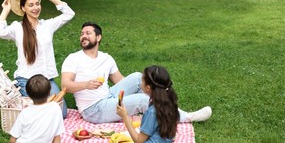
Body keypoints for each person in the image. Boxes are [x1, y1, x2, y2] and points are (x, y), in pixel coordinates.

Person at [61, 22, 212, 124]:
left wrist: (139, 88)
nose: (83, 36)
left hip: (108, 96)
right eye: (81, 34)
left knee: (138, 78)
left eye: (88, 33)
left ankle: (161, 108)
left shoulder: (106, 58)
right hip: (93, 109)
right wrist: (86, 84)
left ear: (98, 37)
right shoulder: (73, 58)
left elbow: (120, 80)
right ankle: (186, 117)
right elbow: (65, 85)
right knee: (141, 100)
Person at [66, 65, 182, 143]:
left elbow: (138, 141)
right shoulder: (170, 105)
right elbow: (169, 132)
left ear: (148, 88)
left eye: (142, 79)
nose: (140, 81)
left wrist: (125, 116)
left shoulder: (152, 111)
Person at [0, 0, 75, 119]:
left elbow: (69, 14)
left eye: (37, 4)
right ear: (23, 8)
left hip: (46, 80)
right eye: (30, 5)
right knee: (41, 113)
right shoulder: (17, 28)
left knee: (61, 113)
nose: (35, 8)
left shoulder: (47, 25)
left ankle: (34, 109)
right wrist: (5, 10)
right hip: (27, 79)